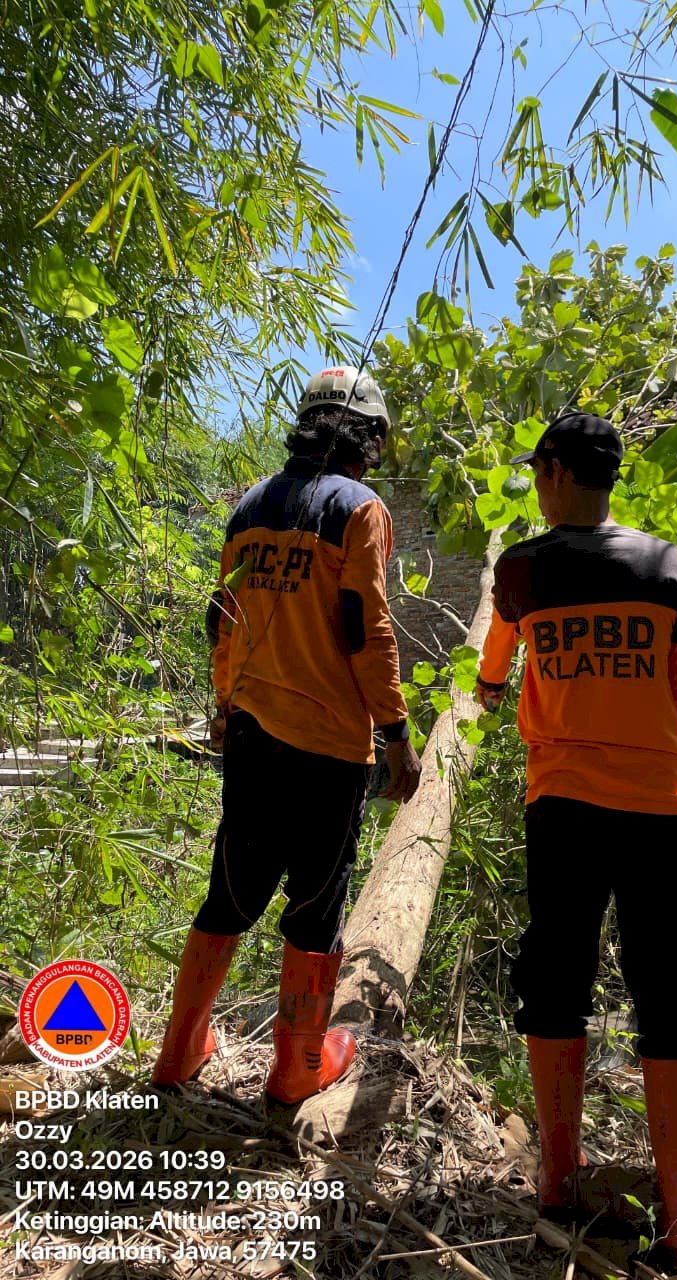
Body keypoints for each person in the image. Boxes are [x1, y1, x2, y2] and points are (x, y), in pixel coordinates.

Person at [475, 412, 677, 1271]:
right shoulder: (668, 567)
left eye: (538, 471)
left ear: (551, 472)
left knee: (555, 978)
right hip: (663, 808)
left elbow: (495, 666)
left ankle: (555, 1180)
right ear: (609, 477)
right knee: (674, 997)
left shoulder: (522, 569)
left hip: (563, 808)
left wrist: (488, 687)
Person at [152, 366, 422, 1105]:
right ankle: (296, 1068)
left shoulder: (248, 507)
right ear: (367, 436)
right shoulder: (361, 509)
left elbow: (222, 621)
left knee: (230, 893)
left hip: (250, 732)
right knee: (315, 906)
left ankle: (177, 1052)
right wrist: (397, 732)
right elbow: (366, 628)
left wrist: (223, 702)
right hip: (330, 746)